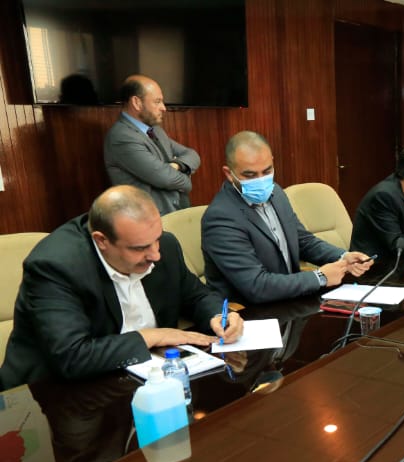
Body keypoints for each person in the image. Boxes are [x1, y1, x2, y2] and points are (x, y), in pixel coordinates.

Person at [0, 186, 243, 390]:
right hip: (50, 394)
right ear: (101, 241)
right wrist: (151, 336)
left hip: (144, 376)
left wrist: (217, 316)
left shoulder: (164, 246)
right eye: (140, 248)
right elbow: (72, 356)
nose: (155, 255)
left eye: (157, 239)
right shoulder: (55, 267)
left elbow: (196, 296)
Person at [201, 131, 372, 305]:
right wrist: (320, 277)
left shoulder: (276, 192)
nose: (261, 180)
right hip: (249, 312)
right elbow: (256, 286)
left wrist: (343, 256)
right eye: (250, 175)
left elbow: (302, 241)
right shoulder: (220, 218)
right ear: (229, 174)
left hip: (291, 300)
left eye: (267, 171)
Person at [104, 75, 201, 215]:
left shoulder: (155, 130)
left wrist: (176, 165)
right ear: (137, 103)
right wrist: (187, 180)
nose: (164, 108)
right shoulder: (121, 137)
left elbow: (192, 154)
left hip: (176, 212)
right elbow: (167, 179)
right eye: (157, 101)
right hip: (150, 219)